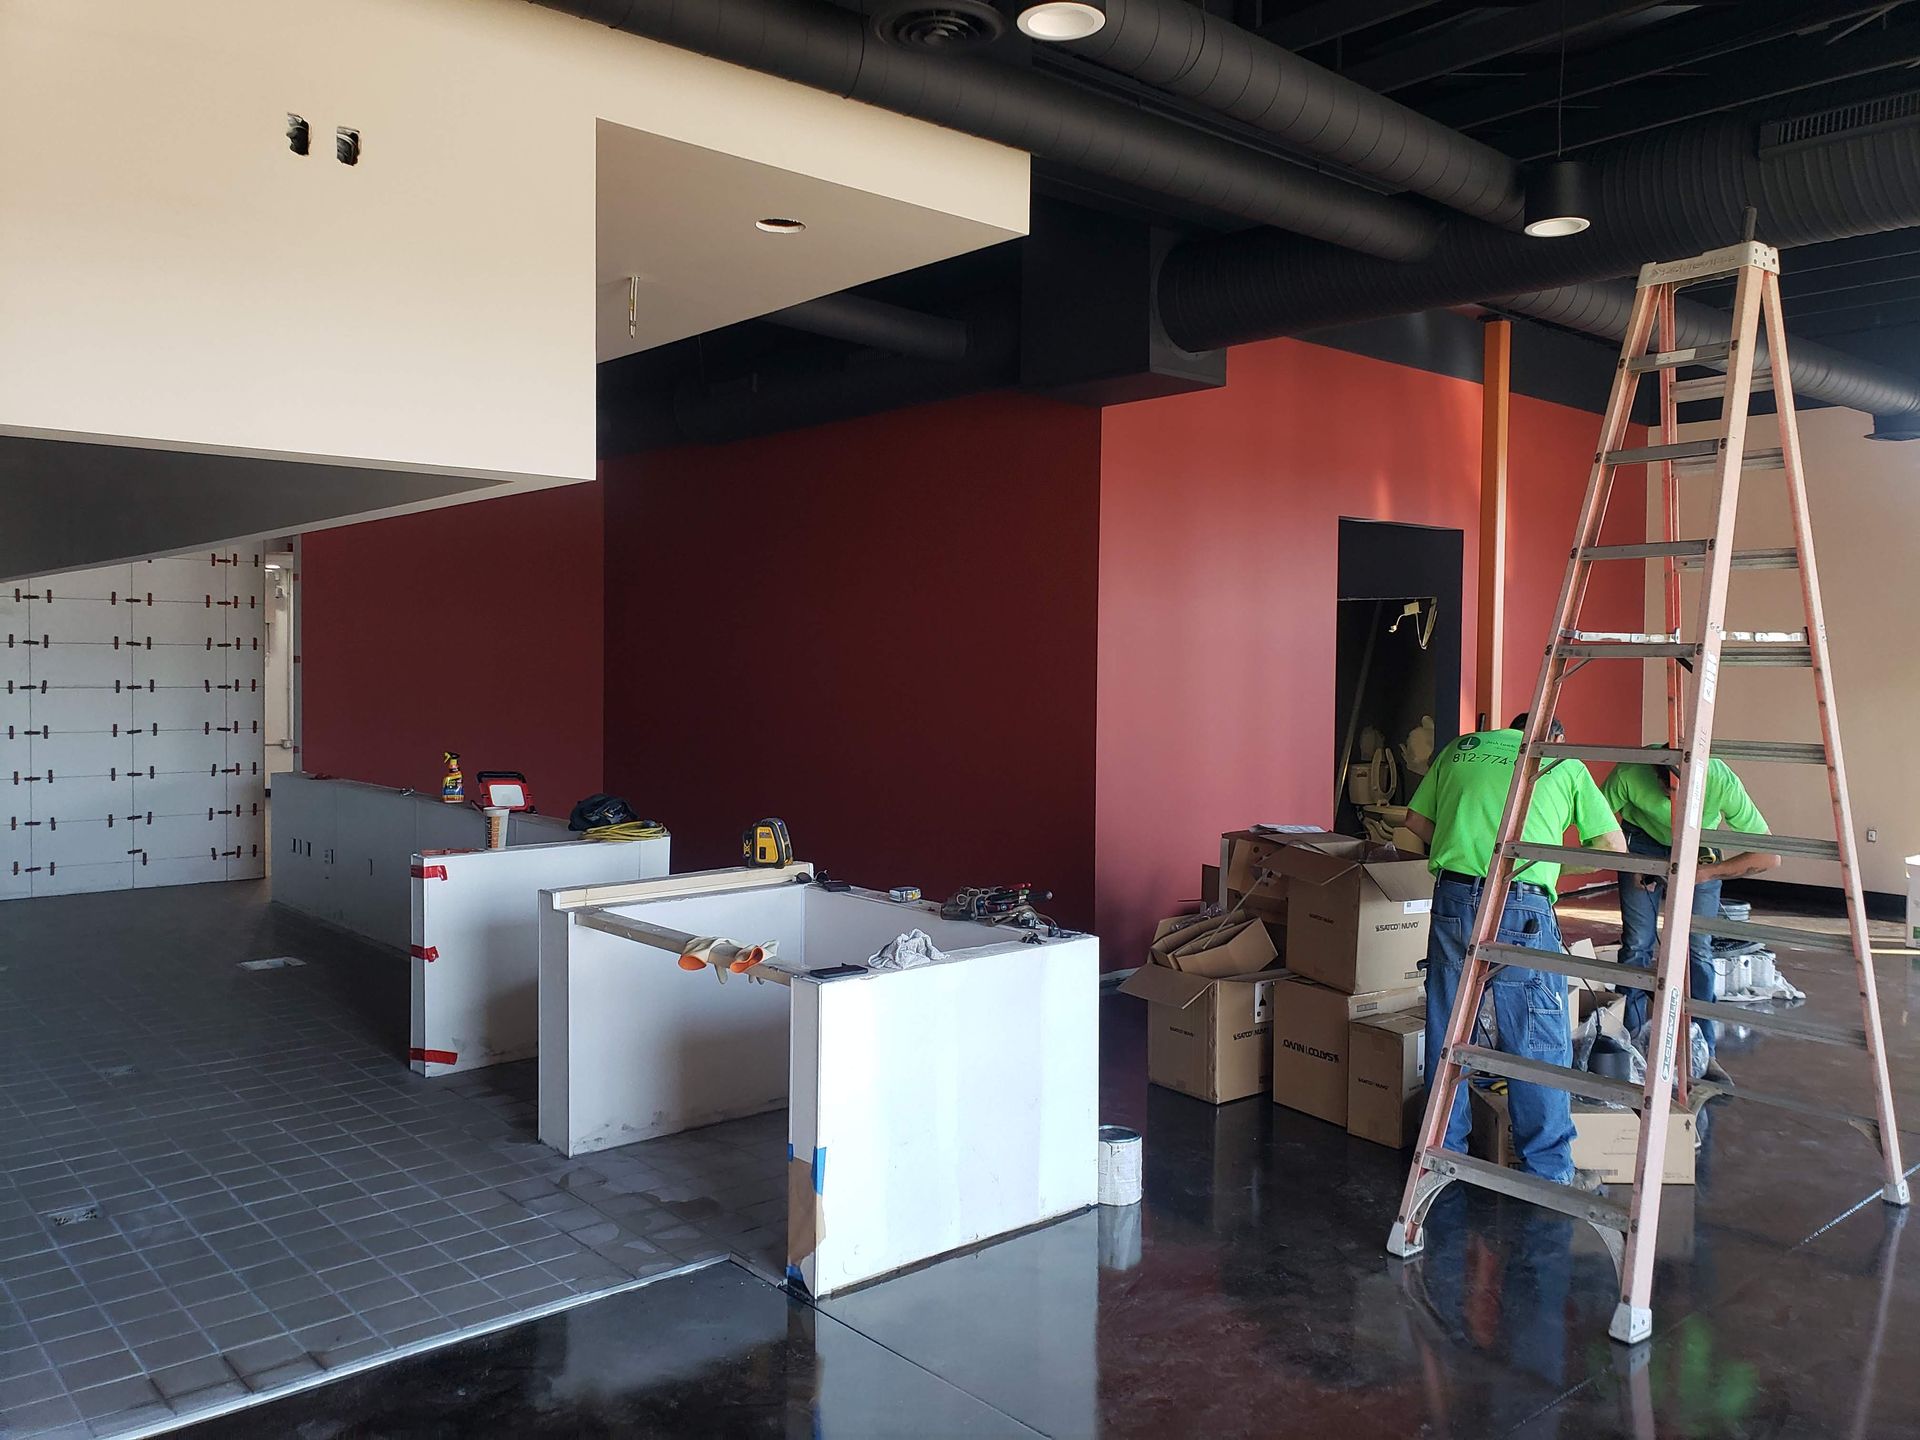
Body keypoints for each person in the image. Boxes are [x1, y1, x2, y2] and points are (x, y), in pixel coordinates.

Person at [1404, 714, 1626, 1184]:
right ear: (1555, 736)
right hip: (1521, 902)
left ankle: (1441, 1155)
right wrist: (1547, 867)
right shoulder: (1560, 761)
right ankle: (1548, 1169)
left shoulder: (1461, 748)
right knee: (1536, 1035)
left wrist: (1469, 848)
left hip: (1453, 897)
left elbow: (1416, 821)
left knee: (1448, 1026)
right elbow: (1611, 846)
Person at [1600, 752, 1779, 1071]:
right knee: (1637, 944)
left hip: (1700, 846)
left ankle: (1703, 1050)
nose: (1676, 802)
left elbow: (1769, 856)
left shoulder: (1720, 780)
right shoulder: (1629, 771)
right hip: (1642, 841)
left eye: (1685, 794)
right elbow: (1599, 821)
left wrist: (1707, 873)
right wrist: (1629, 860)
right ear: (1657, 776)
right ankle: (1630, 1043)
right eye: (1669, 792)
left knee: (1698, 948)